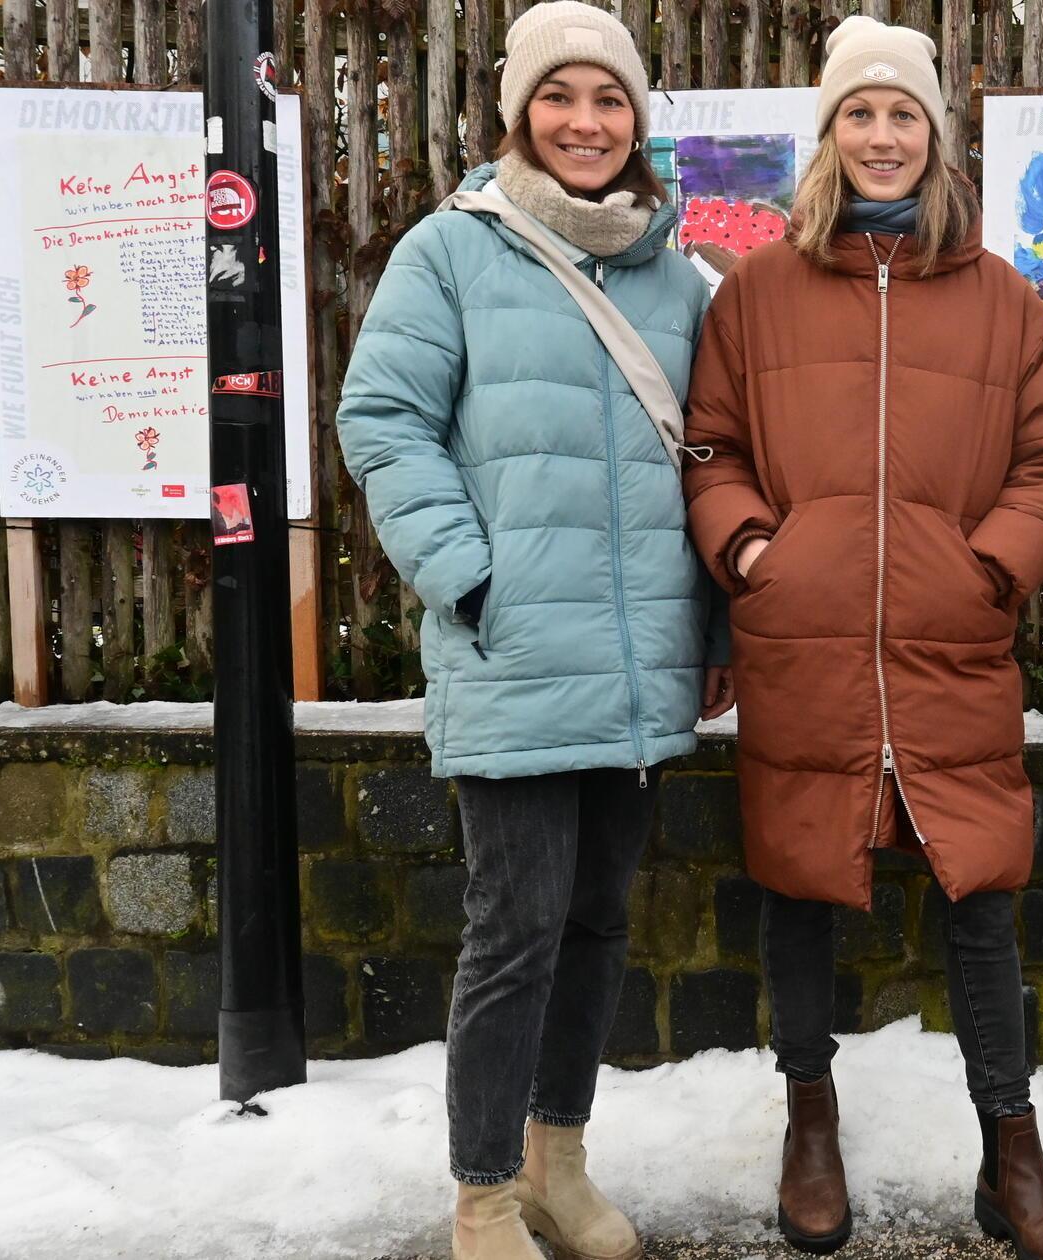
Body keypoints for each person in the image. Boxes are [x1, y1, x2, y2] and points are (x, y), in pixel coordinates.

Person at [681, 17, 1043, 1260]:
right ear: (828, 135)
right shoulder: (756, 293)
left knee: (980, 899)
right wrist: (756, 554)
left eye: (901, 114)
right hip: (800, 642)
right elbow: (710, 449)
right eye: (857, 114)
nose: (880, 135)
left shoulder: (1000, 297)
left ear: (933, 135)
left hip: (947, 644)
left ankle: (1012, 1157)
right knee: (798, 885)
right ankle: (808, 1127)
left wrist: (987, 569)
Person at [337, 4, 732, 1257]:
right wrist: (468, 578)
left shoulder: (674, 274)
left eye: (608, 99)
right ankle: (484, 1197)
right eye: (558, 96)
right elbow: (382, 419)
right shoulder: (450, 252)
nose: (584, 121)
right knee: (514, 932)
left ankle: (559, 1162)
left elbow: (713, 458)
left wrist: (711, 626)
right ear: (518, 113)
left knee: (599, 923)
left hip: (638, 662)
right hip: (510, 649)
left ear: (637, 121)